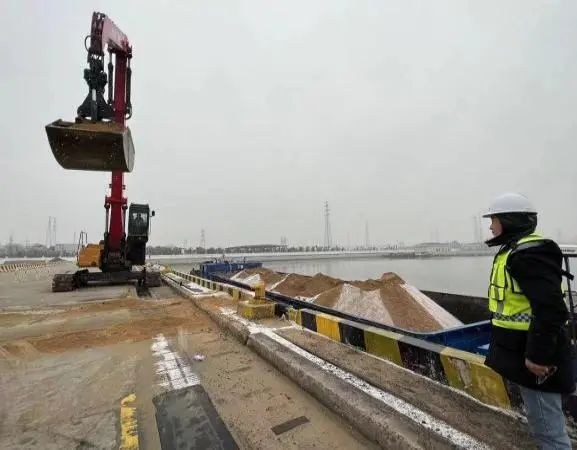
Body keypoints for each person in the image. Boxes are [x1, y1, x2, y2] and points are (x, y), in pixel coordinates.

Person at [483, 192, 574, 449]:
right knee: (541, 423)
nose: (491, 227)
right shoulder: (517, 251)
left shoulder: (527, 255)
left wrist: (538, 357)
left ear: (510, 221)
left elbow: (551, 310)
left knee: (548, 430)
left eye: (494, 220)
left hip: (537, 359)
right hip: (522, 350)